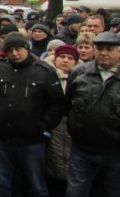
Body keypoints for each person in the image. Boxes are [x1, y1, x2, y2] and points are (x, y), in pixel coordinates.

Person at [0, 32, 65, 197]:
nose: (15, 53)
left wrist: (42, 125)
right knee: (2, 182)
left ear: (27, 48)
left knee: (36, 184)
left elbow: (56, 104)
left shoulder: (44, 71)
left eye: (18, 49)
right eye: (10, 50)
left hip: (31, 140)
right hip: (2, 138)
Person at [65, 32, 120, 197]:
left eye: (109, 49)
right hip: (82, 149)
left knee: (114, 192)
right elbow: (68, 106)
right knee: (75, 192)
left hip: (117, 152)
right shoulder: (78, 74)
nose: (103, 52)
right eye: (99, 48)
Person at [45, 45, 79, 197]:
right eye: (62, 57)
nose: (65, 61)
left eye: (70, 58)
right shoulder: (47, 76)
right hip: (53, 127)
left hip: (73, 128)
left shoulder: (81, 79)